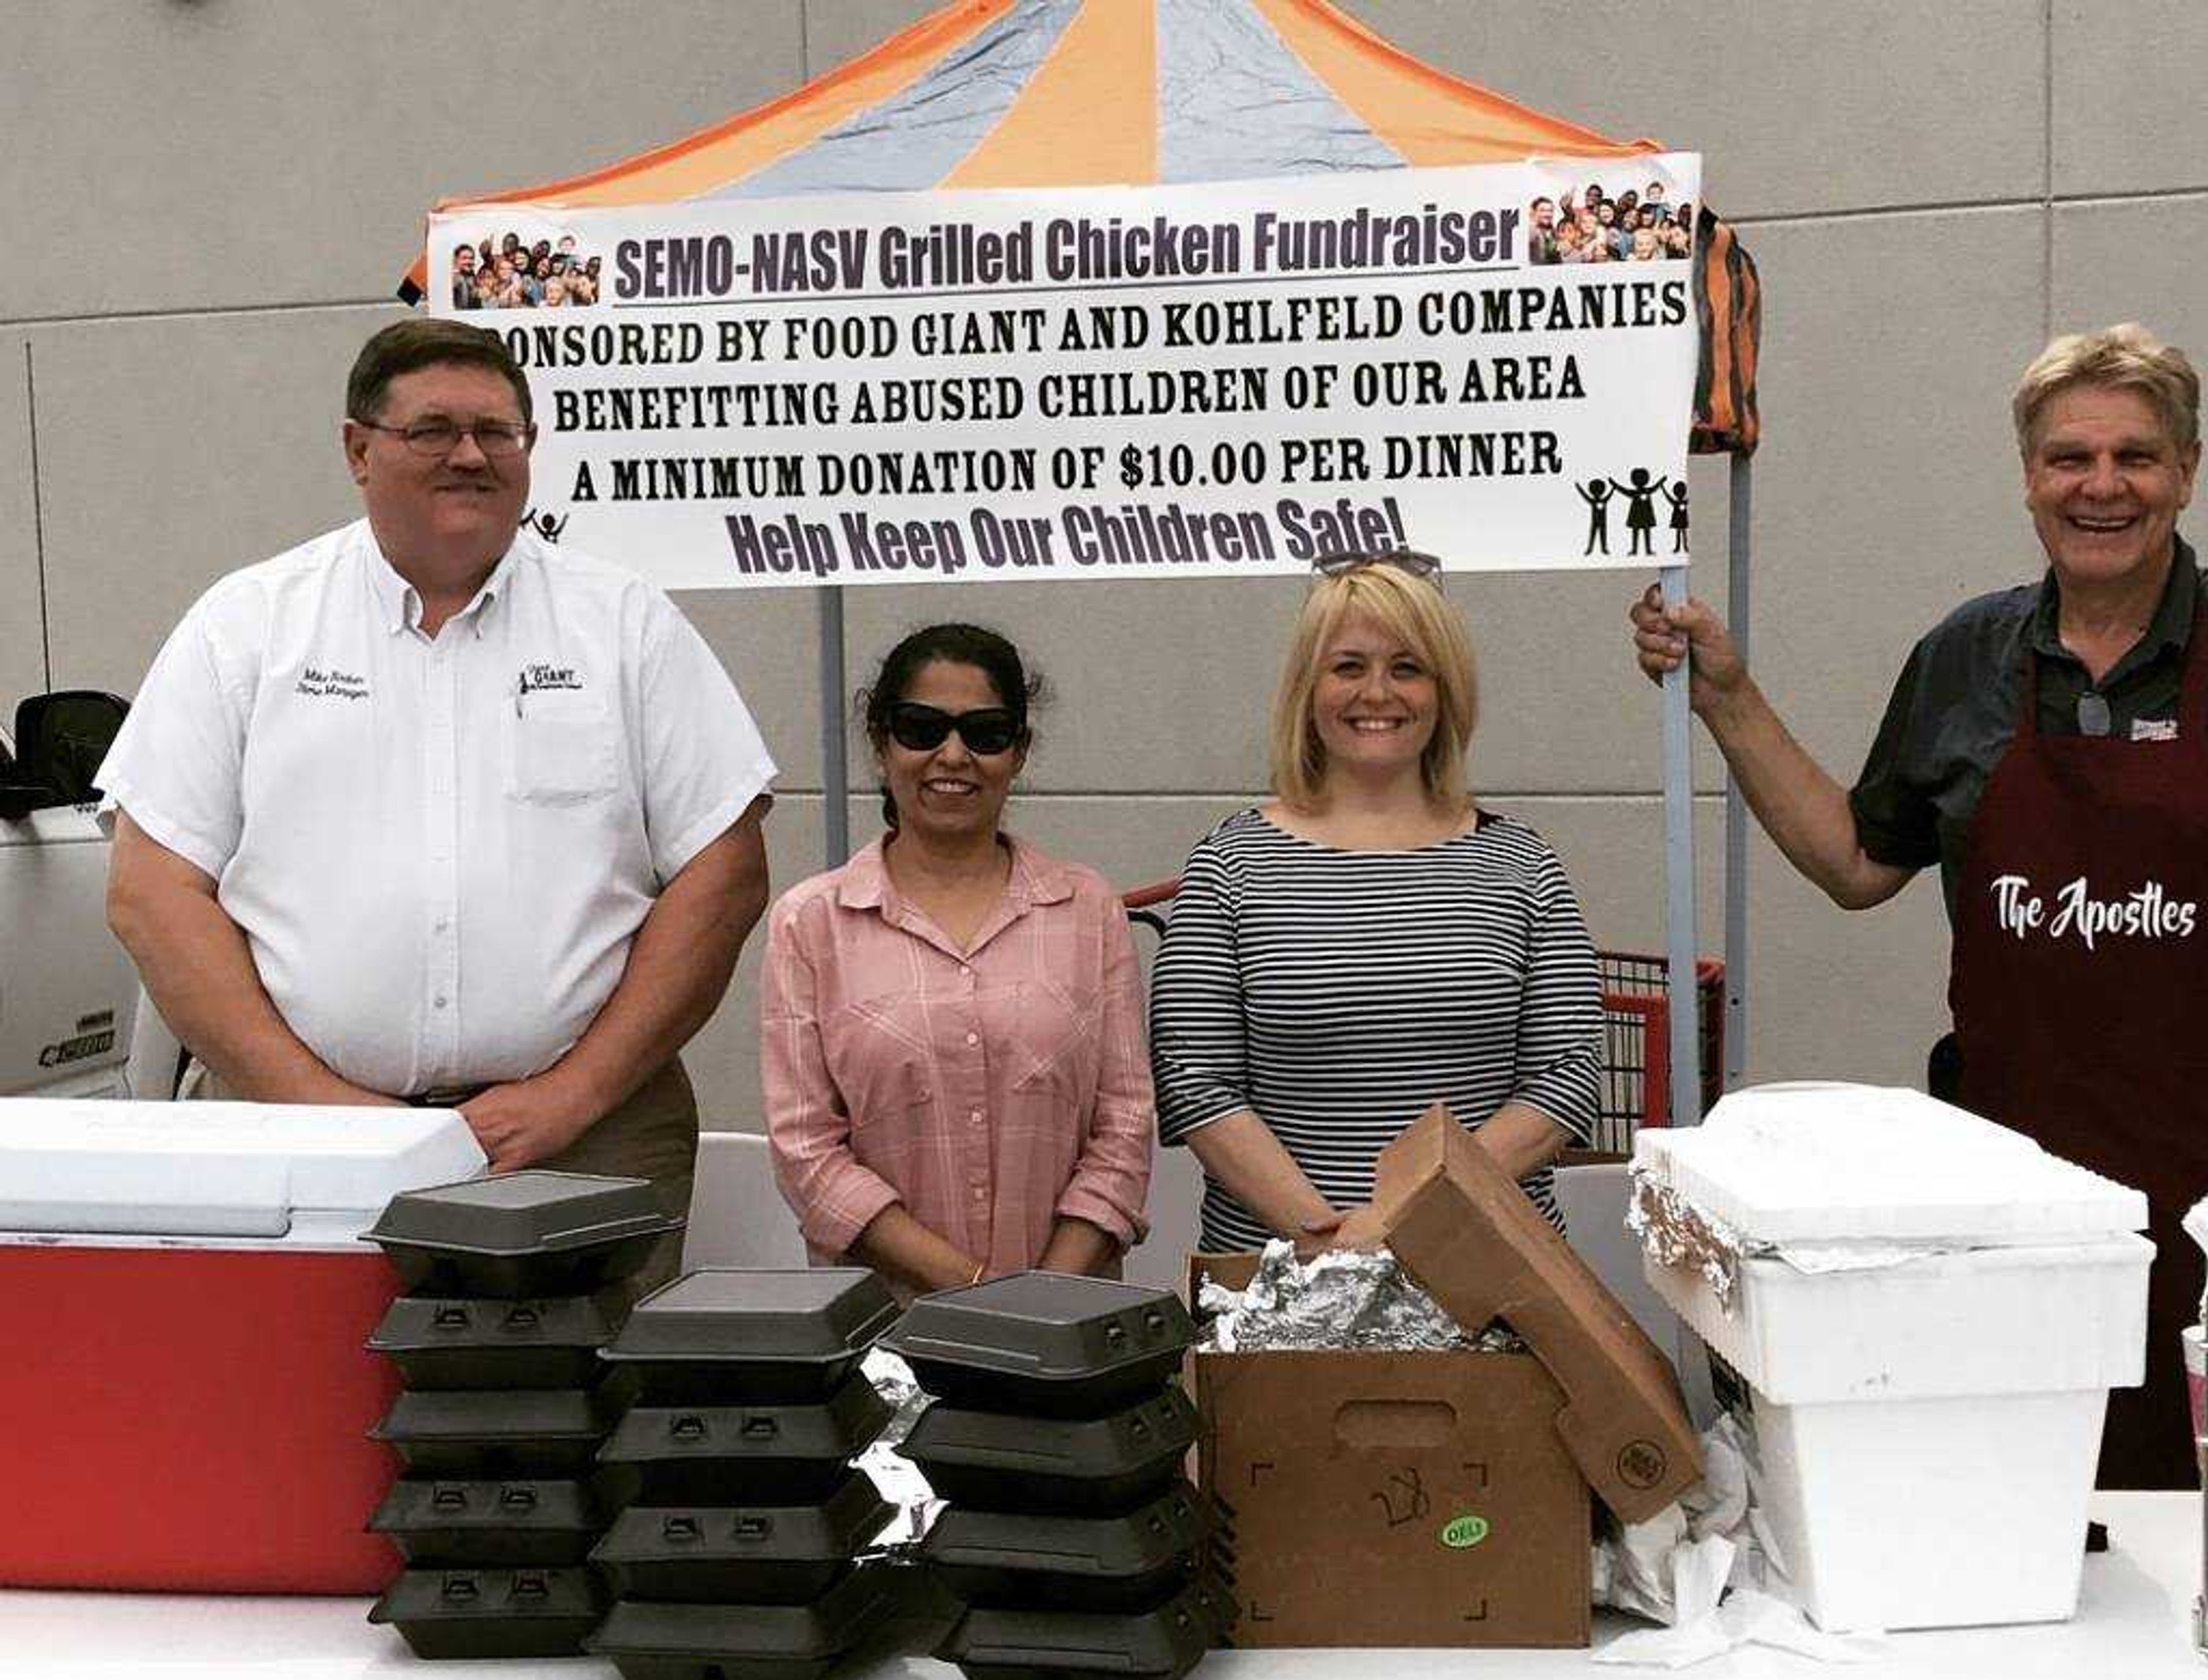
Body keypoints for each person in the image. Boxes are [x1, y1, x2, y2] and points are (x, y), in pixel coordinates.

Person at [1633, 324, 2208, 1487]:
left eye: (2136, 457)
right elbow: (1858, 861)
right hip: (2025, 1221)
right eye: (2069, 459)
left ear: (2188, 473)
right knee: (2033, 1512)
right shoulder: (1966, 655)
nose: (2101, 486)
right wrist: (1729, 697)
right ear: (2027, 477)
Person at [101, 318, 774, 1259]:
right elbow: (152, 892)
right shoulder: (248, 627)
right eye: (434, 430)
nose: (471, 455)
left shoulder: (623, 625)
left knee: (591, 1401)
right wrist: (322, 1110)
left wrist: (570, 1095)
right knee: (298, 1399)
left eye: (499, 432)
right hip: (293, 1137)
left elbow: (725, 872)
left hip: (585, 1137)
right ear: (358, 449)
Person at [1150, 558, 1602, 1254]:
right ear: (1308, 687)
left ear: (1446, 689)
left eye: (1408, 668)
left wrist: (1398, 1222)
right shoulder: (1229, 866)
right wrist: (1329, 1237)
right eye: (1348, 667)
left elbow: (1564, 1078)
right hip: (1280, 1282)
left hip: (1490, 1279)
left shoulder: (1522, 865)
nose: (1377, 692)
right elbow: (1195, 1082)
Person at [761, 623, 1152, 1295]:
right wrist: (977, 1291)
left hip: (1069, 1331)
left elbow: (1124, 1127)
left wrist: (1042, 1300)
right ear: (881, 744)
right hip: (883, 1339)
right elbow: (808, 1154)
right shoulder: (809, 922)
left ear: (1019, 753)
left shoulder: (1089, 910)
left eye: (986, 732)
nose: (952, 754)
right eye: (921, 728)